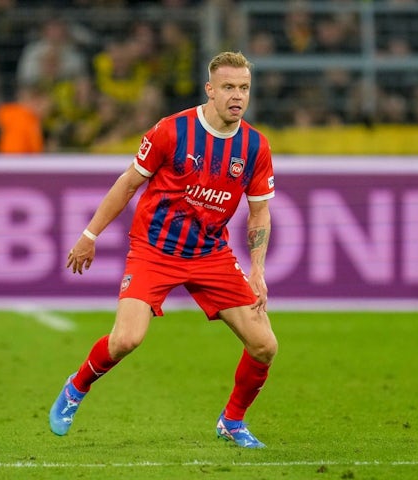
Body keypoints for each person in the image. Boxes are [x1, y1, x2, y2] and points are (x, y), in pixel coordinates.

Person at [49, 51, 278, 449]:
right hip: (154, 249)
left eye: (243, 88)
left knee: (264, 345)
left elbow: (259, 213)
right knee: (126, 340)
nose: (237, 95)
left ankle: (232, 422)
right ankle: (76, 387)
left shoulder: (255, 146)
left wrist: (257, 269)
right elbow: (127, 184)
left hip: (210, 254)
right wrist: (90, 235)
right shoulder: (172, 131)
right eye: (228, 87)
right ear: (210, 89)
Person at [0, 82, 52, 154]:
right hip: (15, 161)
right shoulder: (21, 117)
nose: (48, 108)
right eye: (45, 103)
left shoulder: (31, 120)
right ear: (35, 101)